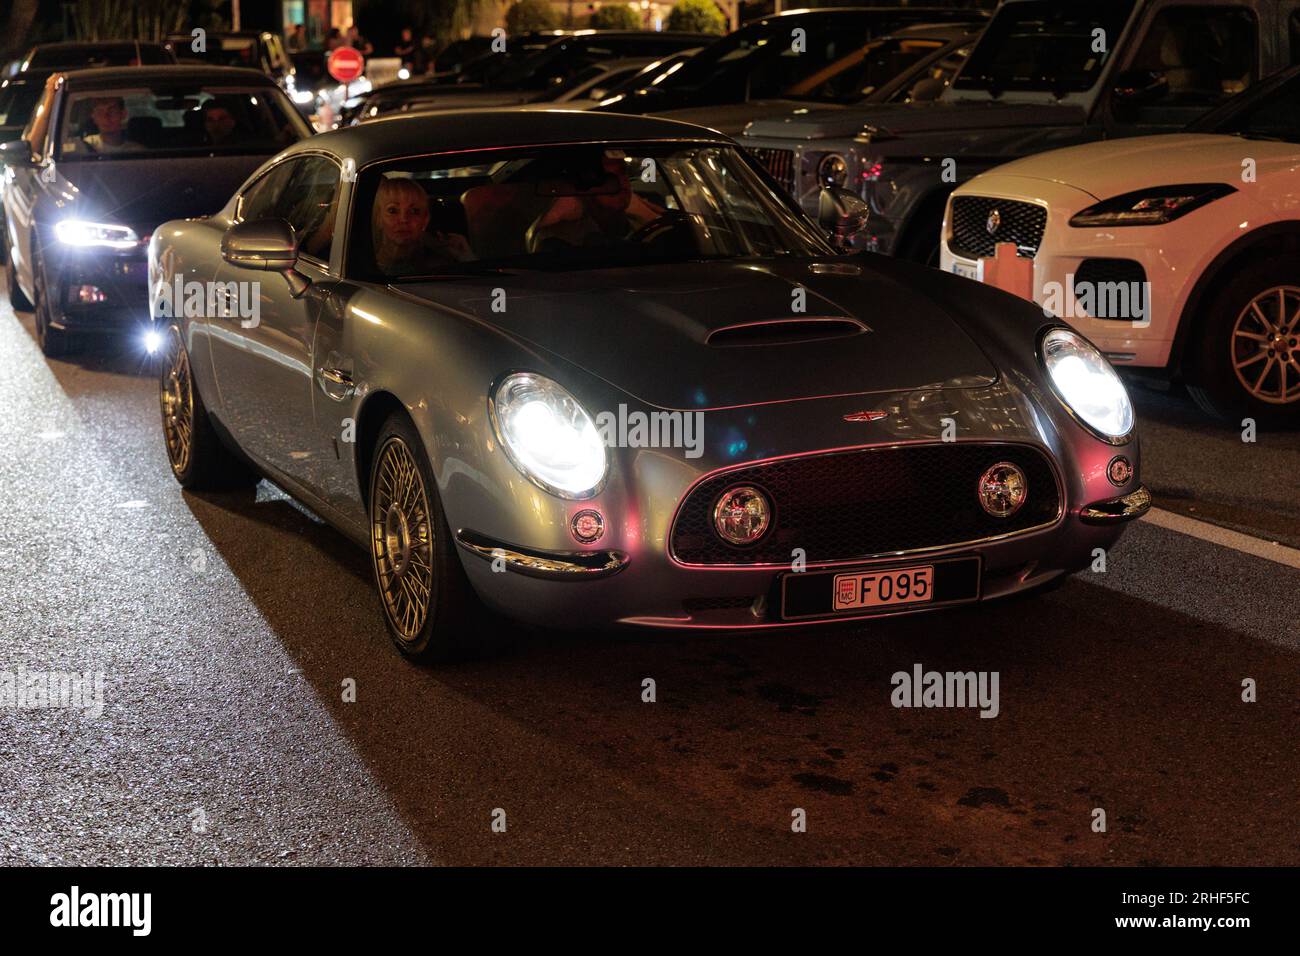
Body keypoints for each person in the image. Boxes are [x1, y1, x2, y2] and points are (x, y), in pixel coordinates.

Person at [526, 150, 665, 252]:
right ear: (583, 187)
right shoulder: (559, 241)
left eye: (623, 172)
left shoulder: (646, 223)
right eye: (606, 177)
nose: (621, 182)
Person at [372, 177, 472, 275]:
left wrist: (465, 258)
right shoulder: (366, 263)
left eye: (414, 211)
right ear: (379, 219)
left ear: (425, 220)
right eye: (393, 211)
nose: (404, 219)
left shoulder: (439, 266)